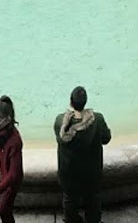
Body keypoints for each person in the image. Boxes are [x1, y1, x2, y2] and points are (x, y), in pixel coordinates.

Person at [54, 86, 112, 223]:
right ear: (86, 102)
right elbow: (106, 138)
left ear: (70, 101)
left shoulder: (60, 121)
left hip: (69, 172)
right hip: (91, 171)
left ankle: (72, 220)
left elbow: (60, 138)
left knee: (69, 199)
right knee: (93, 198)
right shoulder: (97, 119)